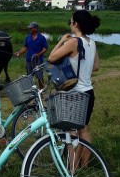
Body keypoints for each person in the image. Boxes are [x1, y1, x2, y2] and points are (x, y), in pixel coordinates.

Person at [47, 10, 100, 165]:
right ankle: (84, 164)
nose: (70, 24)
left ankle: (72, 169)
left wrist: (62, 41)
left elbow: (51, 58)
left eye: (70, 22)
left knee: (72, 133)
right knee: (83, 129)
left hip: (74, 94)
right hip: (88, 92)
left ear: (76, 24)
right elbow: (96, 67)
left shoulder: (74, 42)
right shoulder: (92, 42)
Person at [14, 21, 48, 87]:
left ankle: (41, 92)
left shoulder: (42, 38)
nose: (30, 29)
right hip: (28, 61)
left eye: (31, 28)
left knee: (40, 77)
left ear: (36, 28)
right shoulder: (28, 37)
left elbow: (45, 48)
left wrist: (38, 54)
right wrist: (19, 53)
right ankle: (31, 92)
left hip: (38, 62)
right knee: (29, 77)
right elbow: (25, 47)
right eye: (29, 28)